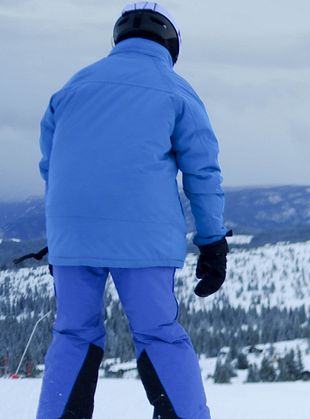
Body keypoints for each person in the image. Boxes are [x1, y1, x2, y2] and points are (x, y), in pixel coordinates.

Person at [36, 3, 230, 418]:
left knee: (72, 335)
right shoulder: (175, 89)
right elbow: (203, 173)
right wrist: (212, 243)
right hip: (143, 240)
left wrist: (59, 242)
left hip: (72, 237)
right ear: (169, 46)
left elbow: (51, 168)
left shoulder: (72, 87)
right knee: (159, 335)